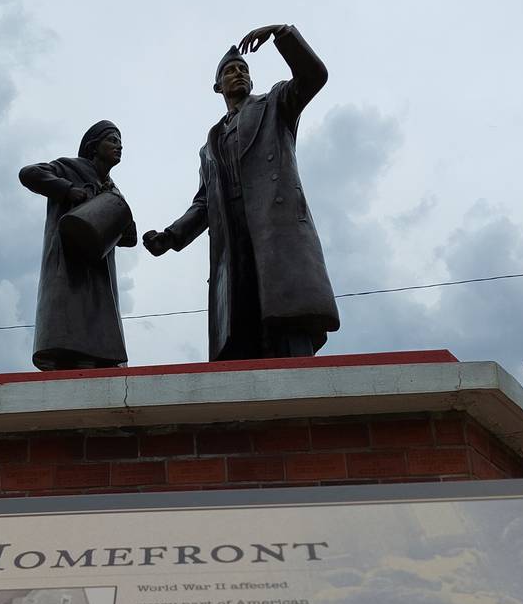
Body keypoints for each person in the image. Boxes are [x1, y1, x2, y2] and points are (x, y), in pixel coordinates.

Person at [142, 25, 340, 360]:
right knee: (244, 335)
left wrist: (282, 33)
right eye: (230, 71)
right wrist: (172, 236)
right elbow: (204, 203)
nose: (239, 74)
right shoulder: (210, 144)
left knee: (290, 331)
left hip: (274, 233)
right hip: (233, 243)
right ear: (217, 86)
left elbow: (313, 75)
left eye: (243, 69)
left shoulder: (275, 104)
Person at [19, 120, 137, 371]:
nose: (119, 146)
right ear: (94, 146)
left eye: (120, 142)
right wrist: (68, 190)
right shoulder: (69, 167)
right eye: (112, 140)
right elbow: (29, 173)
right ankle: (69, 357)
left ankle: (98, 359)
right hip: (68, 266)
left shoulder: (113, 190)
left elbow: (128, 236)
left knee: (98, 320)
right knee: (70, 320)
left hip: (99, 271)